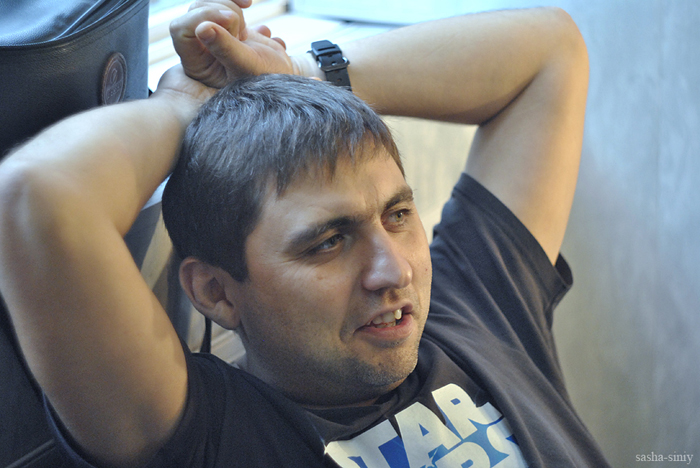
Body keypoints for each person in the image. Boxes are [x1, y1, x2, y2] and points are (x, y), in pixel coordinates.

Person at [0, 1, 609, 467]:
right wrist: (184, 105)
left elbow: (551, 48)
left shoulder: (477, 311)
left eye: (397, 215)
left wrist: (297, 75)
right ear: (216, 293)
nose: (394, 270)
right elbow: (36, 200)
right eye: (328, 243)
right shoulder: (213, 435)